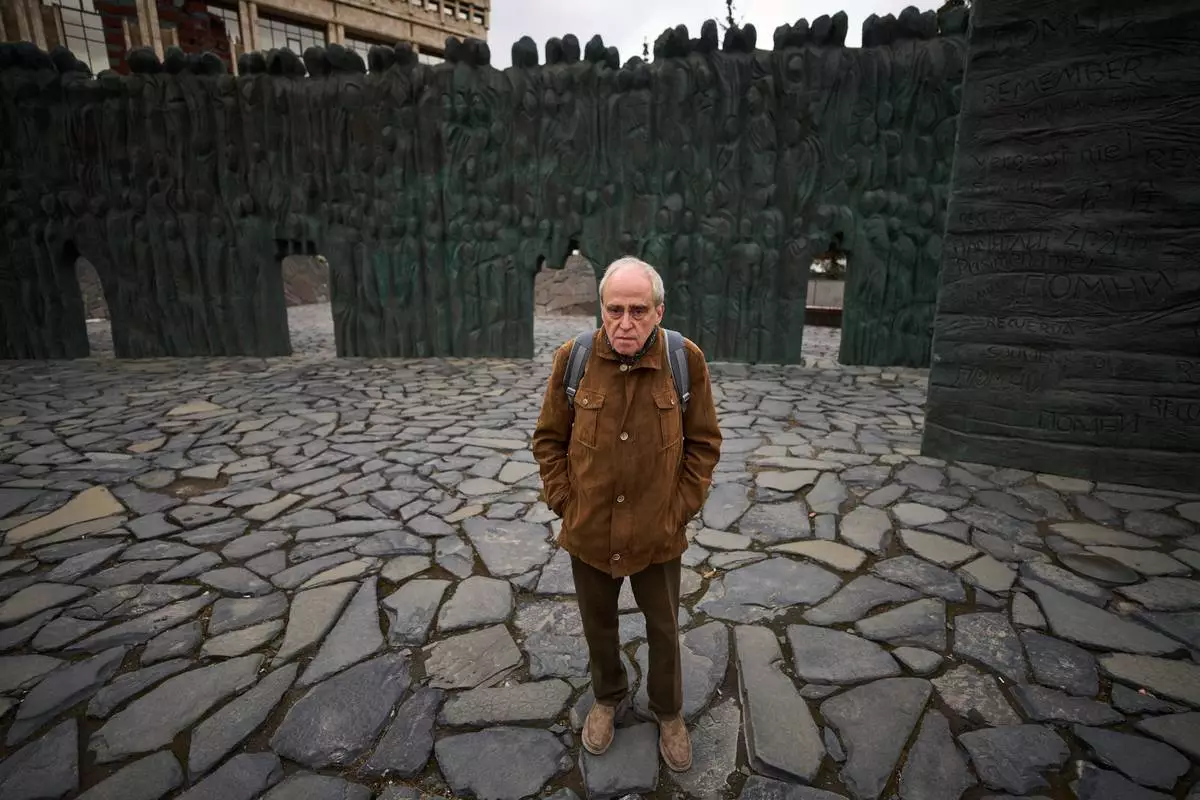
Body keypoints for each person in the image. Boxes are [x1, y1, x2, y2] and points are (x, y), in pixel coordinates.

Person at [532, 256, 722, 772]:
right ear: (601, 309)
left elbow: (704, 443)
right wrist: (566, 502)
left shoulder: (685, 360)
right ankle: (608, 696)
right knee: (598, 624)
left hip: (658, 531)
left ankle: (668, 711)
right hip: (589, 528)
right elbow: (549, 439)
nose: (624, 322)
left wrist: (679, 509)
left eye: (638, 311)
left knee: (663, 627)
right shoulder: (573, 359)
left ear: (659, 311)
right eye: (614, 310)